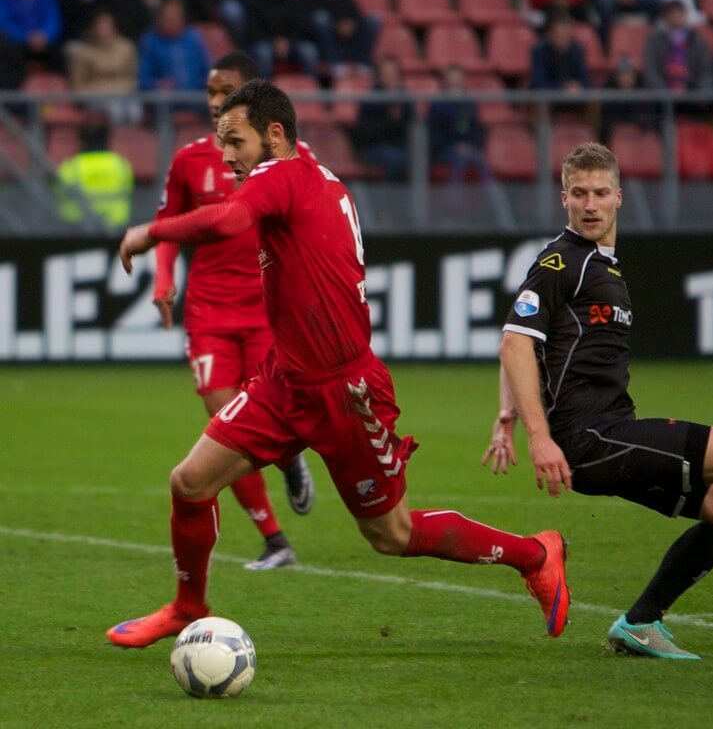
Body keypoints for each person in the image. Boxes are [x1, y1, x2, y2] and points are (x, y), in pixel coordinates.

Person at [109, 78, 569, 648]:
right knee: (190, 481)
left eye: (236, 140)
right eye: (222, 142)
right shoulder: (313, 179)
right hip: (286, 380)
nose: (226, 154)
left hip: (346, 391)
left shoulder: (280, 175)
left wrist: (149, 232)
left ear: (275, 136)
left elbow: (226, 222)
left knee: (390, 534)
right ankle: (187, 606)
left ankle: (535, 553)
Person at [483, 142, 713, 660]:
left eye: (600, 193)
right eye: (579, 193)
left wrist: (507, 413)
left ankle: (641, 621)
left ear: (618, 198)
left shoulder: (603, 266)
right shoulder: (565, 261)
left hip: (606, 436)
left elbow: (528, 338)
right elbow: (515, 341)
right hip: (590, 440)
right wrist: (538, 437)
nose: (590, 204)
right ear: (563, 198)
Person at [152, 52, 316, 572]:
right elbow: (168, 222)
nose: (215, 101)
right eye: (209, 92)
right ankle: (275, 541)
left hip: (269, 313)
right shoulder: (189, 160)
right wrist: (163, 279)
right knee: (226, 425)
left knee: (269, 421)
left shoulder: (289, 159)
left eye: (226, 91)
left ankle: (291, 461)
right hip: (208, 316)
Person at [137, 0, 209, 115]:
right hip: (166, 102)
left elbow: (207, 70)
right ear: (159, 19)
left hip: (196, 98)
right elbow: (142, 78)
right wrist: (156, 84)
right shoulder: (150, 41)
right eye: (167, 18)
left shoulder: (193, 38)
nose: (171, 21)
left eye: (176, 17)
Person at [56, 114, 134, 227]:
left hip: (75, 228)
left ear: (81, 141)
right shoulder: (120, 164)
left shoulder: (70, 166)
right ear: (107, 140)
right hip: (116, 228)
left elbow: (59, 194)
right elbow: (128, 189)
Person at [66, 8, 140, 125]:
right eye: (100, 27)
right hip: (96, 96)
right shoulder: (83, 52)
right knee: (115, 110)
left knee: (135, 110)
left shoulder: (126, 47)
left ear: (114, 27)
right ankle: (115, 141)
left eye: (108, 26)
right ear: (93, 28)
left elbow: (133, 76)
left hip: (123, 93)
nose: (104, 30)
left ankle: (133, 141)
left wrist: (122, 89)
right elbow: (78, 84)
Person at [244, 0, 319, 78]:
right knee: (263, 52)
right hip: (264, 42)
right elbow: (253, 30)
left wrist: (288, 42)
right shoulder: (253, 2)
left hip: (290, 43)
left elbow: (300, 27)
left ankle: (310, 88)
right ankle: (264, 90)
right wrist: (273, 42)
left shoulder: (292, 1)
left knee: (309, 51)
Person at [352, 56, 411, 181]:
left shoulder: (406, 99)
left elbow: (411, 126)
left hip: (401, 147)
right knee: (395, 158)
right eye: (386, 74)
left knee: (418, 157)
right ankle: (386, 199)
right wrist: (390, 119)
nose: (390, 77)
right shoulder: (371, 100)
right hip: (374, 148)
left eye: (393, 74)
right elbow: (363, 133)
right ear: (379, 76)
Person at [427, 64, 489, 185]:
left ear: (463, 81)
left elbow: (476, 130)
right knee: (460, 158)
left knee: (482, 160)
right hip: (445, 149)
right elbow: (434, 134)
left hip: (469, 147)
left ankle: (496, 203)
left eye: (458, 78)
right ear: (445, 81)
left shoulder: (469, 103)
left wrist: (468, 144)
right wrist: (456, 146)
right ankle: (452, 203)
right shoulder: (437, 104)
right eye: (452, 78)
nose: (455, 81)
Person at [0, 0, 64, 71]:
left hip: (42, 39)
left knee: (61, 47)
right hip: (16, 40)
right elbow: (4, 21)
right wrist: (25, 37)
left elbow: (52, 18)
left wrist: (45, 35)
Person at [530, 15, 590, 91]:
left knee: (592, 98)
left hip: (574, 96)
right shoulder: (539, 50)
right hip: (549, 95)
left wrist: (577, 85)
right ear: (550, 34)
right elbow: (538, 84)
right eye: (559, 35)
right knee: (541, 101)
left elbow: (586, 81)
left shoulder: (577, 50)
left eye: (566, 35)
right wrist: (563, 87)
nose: (563, 39)